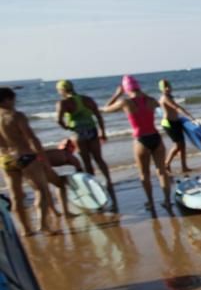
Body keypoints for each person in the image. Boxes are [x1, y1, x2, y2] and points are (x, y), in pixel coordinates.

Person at [104, 76, 172, 214]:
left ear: (126, 88)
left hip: (141, 140)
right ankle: (167, 201)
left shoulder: (125, 102)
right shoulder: (151, 100)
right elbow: (159, 107)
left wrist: (117, 94)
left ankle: (151, 202)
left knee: (144, 174)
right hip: (155, 137)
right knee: (162, 171)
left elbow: (105, 109)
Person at [0, 87, 57, 235]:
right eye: (13, 99)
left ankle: (25, 230)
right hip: (24, 156)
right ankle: (43, 225)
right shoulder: (16, 116)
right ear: (7, 100)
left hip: (5, 159)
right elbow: (31, 138)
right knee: (41, 190)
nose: (15, 102)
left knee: (15, 196)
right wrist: (43, 157)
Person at [55, 79, 117, 210]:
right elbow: (98, 116)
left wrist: (67, 127)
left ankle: (93, 184)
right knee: (99, 158)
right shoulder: (87, 99)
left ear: (62, 90)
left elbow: (58, 120)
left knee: (86, 161)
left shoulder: (63, 103)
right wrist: (103, 132)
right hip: (92, 130)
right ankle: (108, 181)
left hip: (78, 133)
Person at [158, 79, 197, 173]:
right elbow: (176, 107)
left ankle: (184, 167)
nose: (167, 88)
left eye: (168, 86)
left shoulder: (169, 96)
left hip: (176, 122)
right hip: (168, 123)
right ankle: (166, 164)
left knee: (182, 146)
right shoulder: (164, 98)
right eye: (165, 87)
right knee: (177, 145)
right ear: (161, 89)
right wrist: (189, 116)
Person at [43, 139, 83, 217]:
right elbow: (80, 174)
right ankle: (65, 212)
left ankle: (54, 211)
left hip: (34, 163)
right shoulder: (70, 156)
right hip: (42, 164)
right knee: (60, 186)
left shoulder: (56, 152)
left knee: (44, 189)